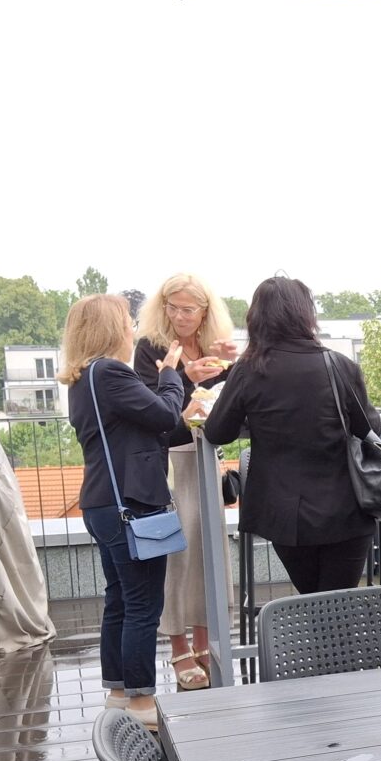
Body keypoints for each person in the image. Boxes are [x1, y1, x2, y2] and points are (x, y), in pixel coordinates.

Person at [202, 277, 381, 594]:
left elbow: (218, 431)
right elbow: (369, 429)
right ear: (306, 315)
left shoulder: (247, 370)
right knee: (338, 606)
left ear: (256, 318)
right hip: (346, 508)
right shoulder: (339, 365)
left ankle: (314, 644)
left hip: (284, 515)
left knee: (311, 601)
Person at [63, 293, 186, 729]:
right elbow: (166, 414)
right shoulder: (111, 373)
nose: (134, 329)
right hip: (129, 507)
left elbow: (138, 427)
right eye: (128, 323)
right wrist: (171, 373)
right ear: (113, 329)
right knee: (142, 606)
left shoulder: (83, 378)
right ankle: (141, 704)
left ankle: (118, 692)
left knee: (118, 600)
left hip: (102, 504)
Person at [133, 274, 239, 690]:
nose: (179, 316)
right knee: (178, 557)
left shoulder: (213, 348)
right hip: (172, 462)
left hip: (206, 458)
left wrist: (236, 363)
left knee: (209, 555)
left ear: (205, 312)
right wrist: (187, 378)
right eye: (172, 307)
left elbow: (224, 404)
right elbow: (153, 415)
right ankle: (178, 649)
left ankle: (203, 643)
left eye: (187, 309)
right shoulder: (150, 349)